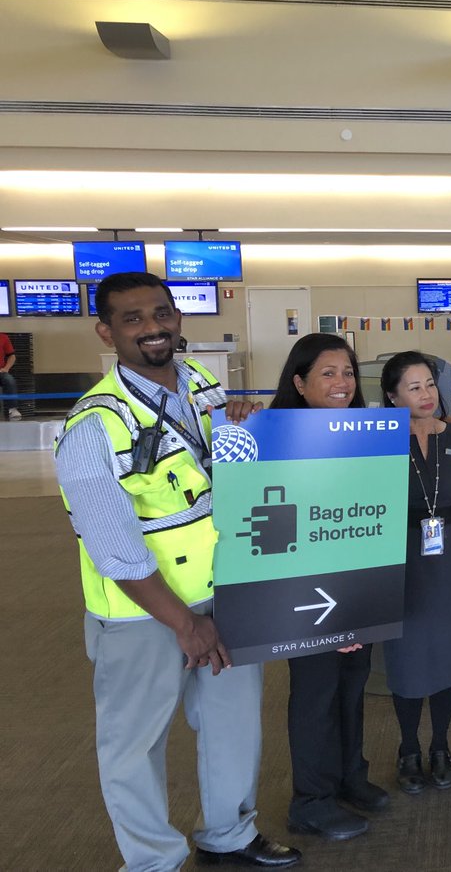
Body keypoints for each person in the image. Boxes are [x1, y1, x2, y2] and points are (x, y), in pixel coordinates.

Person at [53, 272, 299, 870]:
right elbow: (115, 550)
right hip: (144, 615)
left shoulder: (207, 387)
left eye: (161, 313)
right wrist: (186, 626)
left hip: (227, 596)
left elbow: (234, 477)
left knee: (233, 726)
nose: (153, 328)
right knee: (134, 746)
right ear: (106, 332)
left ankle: (229, 836)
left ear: (178, 318)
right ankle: (153, 861)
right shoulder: (94, 426)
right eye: (133, 319)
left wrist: (248, 425)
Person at [269, 333, 389, 841]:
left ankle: (348, 778)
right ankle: (310, 801)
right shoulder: (275, 439)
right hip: (304, 589)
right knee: (316, 694)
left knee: (351, 683)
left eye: (346, 372)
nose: (341, 383)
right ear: (298, 383)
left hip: (353, 582)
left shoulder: (362, 435)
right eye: (327, 373)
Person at [379, 352, 451, 795]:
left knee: (448, 651)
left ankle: (440, 745)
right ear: (392, 395)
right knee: (405, 654)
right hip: (399, 556)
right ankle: (407, 747)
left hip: (450, 556)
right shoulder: (375, 441)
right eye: (414, 387)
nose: (426, 394)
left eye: (430, 385)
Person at [0, 330, 20, 420]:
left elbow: (12, 356)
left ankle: (12, 409)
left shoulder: (3, 337)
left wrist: (6, 368)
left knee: (9, 380)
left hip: (0, 372)